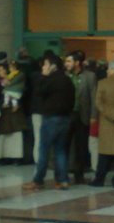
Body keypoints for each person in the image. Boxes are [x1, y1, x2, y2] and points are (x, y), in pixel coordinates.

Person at [24, 52, 76, 190]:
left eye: (46, 65)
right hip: (65, 119)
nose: (43, 67)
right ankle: (62, 180)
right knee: (60, 150)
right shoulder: (67, 80)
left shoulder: (51, 79)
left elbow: (39, 92)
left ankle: (38, 180)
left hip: (50, 118)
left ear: (52, 66)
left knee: (44, 150)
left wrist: (43, 76)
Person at [66, 50, 97, 184]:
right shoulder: (64, 76)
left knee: (81, 146)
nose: (66, 64)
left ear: (77, 63)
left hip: (82, 115)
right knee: (64, 144)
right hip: (67, 114)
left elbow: (93, 97)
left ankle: (79, 173)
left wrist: (93, 116)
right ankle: (64, 172)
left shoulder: (89, 76)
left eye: (68, 61)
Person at [0, 60, 27, 164]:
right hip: (4, 112)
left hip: (14, 112)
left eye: (3, 69)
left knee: (16, 134)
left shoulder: (15, 79)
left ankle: (16, 157)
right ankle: (3, 157)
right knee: (3, 135)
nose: (1, 72)